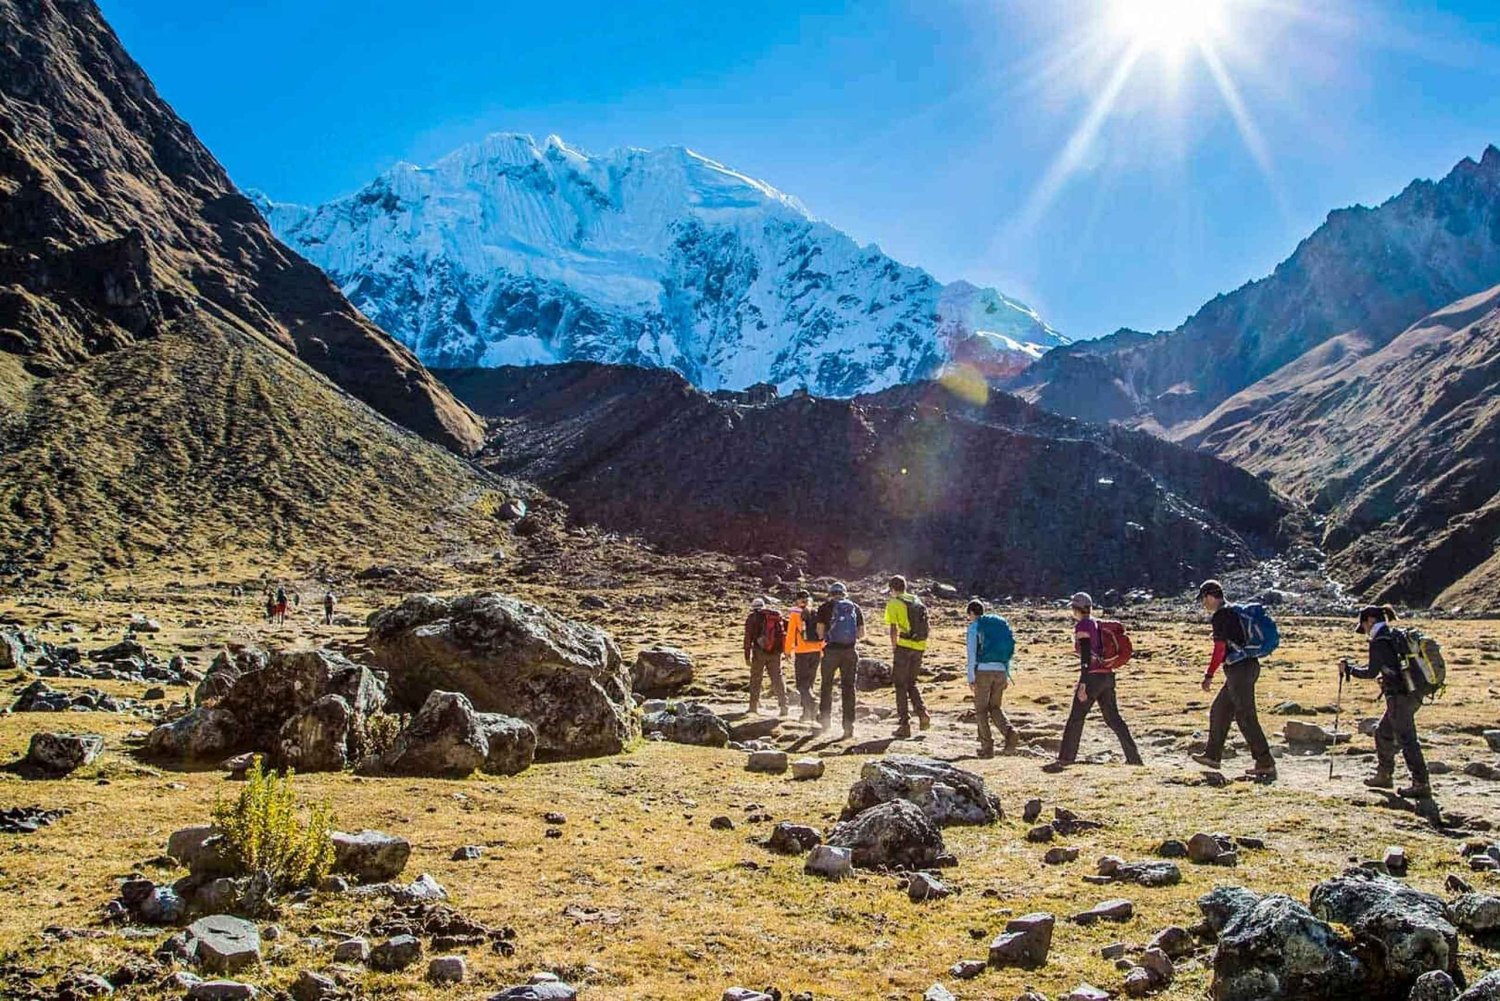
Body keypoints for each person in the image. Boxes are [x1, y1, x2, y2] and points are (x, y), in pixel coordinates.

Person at [1043, 592, 1142, 774]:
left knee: (1076, 717)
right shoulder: (1096, 623)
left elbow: (1086, 654)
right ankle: (1134, 757)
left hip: (1092, 677)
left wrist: (1083, 682)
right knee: (1113, 718)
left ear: (1075, 609)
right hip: (1107, 676)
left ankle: (1066, 758)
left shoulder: (1083, 625)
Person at [1190, 579, 1277, 780]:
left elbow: (1220, 649)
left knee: (1245, 716)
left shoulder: (1221, 615)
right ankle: (1212, 756)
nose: (1204, 604)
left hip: (1240, 670)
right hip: (1245, 667)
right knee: (1220, 709)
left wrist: (1209, 675)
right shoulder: (1233, 612)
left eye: (1203, 599)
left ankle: (1265, 762)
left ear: (1210, 596)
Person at [1346, 604, 1431, 798]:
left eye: (1364, 626)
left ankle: (1421, 783)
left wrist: (1349, 669)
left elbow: (1370, 671)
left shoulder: (1380, 641)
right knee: (1383, 732)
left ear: (1370, 620)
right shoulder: (1393, 635)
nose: (1365, 630)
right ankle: (1384, 775)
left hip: (1399, 696)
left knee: (1407, 740)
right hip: (1411, 694)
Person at [966, 600, 1020, 758]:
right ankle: (1010, 733)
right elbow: (1008, 653)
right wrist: (1006, 673)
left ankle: (987, 747)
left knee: (981, 710)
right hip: (1001, 671)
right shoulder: (998, 625)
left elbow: (971, 654)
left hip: (983, 671)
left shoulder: (974, 627)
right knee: (995, 707)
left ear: (971, 613)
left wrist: (971, 677)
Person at [883, 575, 932, 738]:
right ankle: (923, 714)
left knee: (899, 685)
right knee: (911, 683)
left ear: (892, 589)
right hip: (919, 646)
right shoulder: (916, 601)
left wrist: (894, 646)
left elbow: (893, 628)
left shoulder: (894, 603)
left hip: (904, 646)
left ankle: (904, 725)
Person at [816, 581, 865, 739]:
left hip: (830, 652)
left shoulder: (824, 608)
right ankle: (848, 726)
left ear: (831, 594)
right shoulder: (854, 607)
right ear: (844, 593)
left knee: (826, 686)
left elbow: (820, 633)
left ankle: (825, 722)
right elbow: (861, 634)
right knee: (849, 688)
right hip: (850, 652)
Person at [742, 598, 789, 716]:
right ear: (763, 606)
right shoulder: (775, 616)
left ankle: (753, 707)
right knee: (777, 678)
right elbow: (786, 630)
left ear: (753, 607)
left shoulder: (752, 618)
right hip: (776, 653)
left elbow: (748, 638)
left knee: (756, 678)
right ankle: (784, 706)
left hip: (759, 652)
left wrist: (747, 656)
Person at [784, 590, 825, 722]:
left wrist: (787, 650)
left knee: (802, 684)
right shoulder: (816, 612)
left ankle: (812, 704)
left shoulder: (795, 613)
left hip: (802, 652)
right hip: (816, 651)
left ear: (797, 600)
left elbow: (790, 633)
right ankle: (806, 714)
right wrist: (822, 649)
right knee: (809, 684)